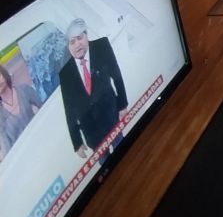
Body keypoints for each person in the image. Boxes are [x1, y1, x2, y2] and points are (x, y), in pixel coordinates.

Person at [58, 18, 128, 159]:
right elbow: (69, 108)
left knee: (124, 155)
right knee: (106, 166)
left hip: (111, 117)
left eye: (80, 38)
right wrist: (76, 141)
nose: (77, 44)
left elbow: (117, 76)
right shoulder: (65, 74)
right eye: (72, 42)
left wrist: (122, 104)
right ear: (68, 46)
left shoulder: (102, 46)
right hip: (92, 132)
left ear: (86, 35)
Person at [0, 64, 42, 158]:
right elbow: (7, 150)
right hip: (25, 157)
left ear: (3, 74)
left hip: (41, 140)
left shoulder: (24, 90)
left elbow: (44, 107)